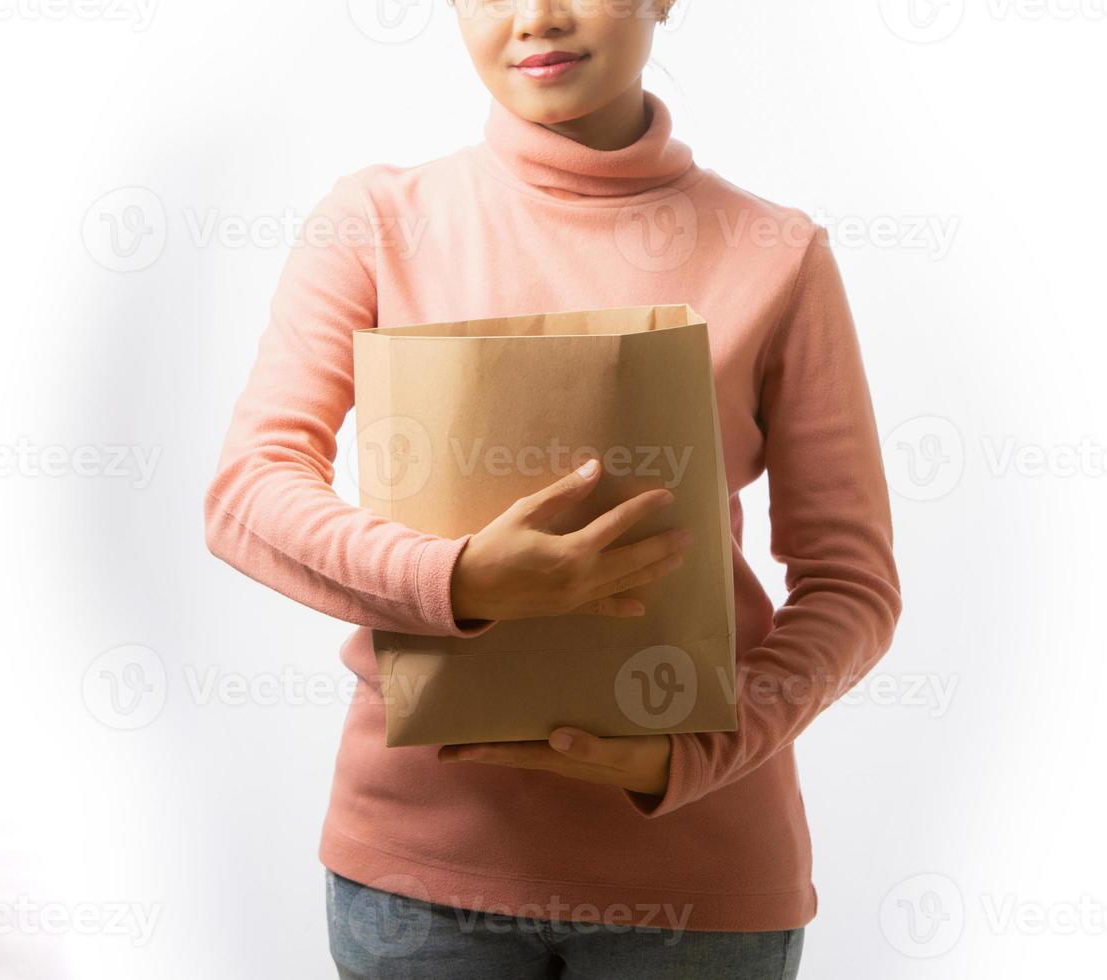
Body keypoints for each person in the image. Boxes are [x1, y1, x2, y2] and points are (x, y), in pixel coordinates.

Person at [204, 1, 903, 976]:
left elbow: (852, 584)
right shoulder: (376, 222)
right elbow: (248, 493)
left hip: (699, 878)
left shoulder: (776, 252)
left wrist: (690, 757)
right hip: (421, 866)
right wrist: (457, 580)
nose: (537, 16)